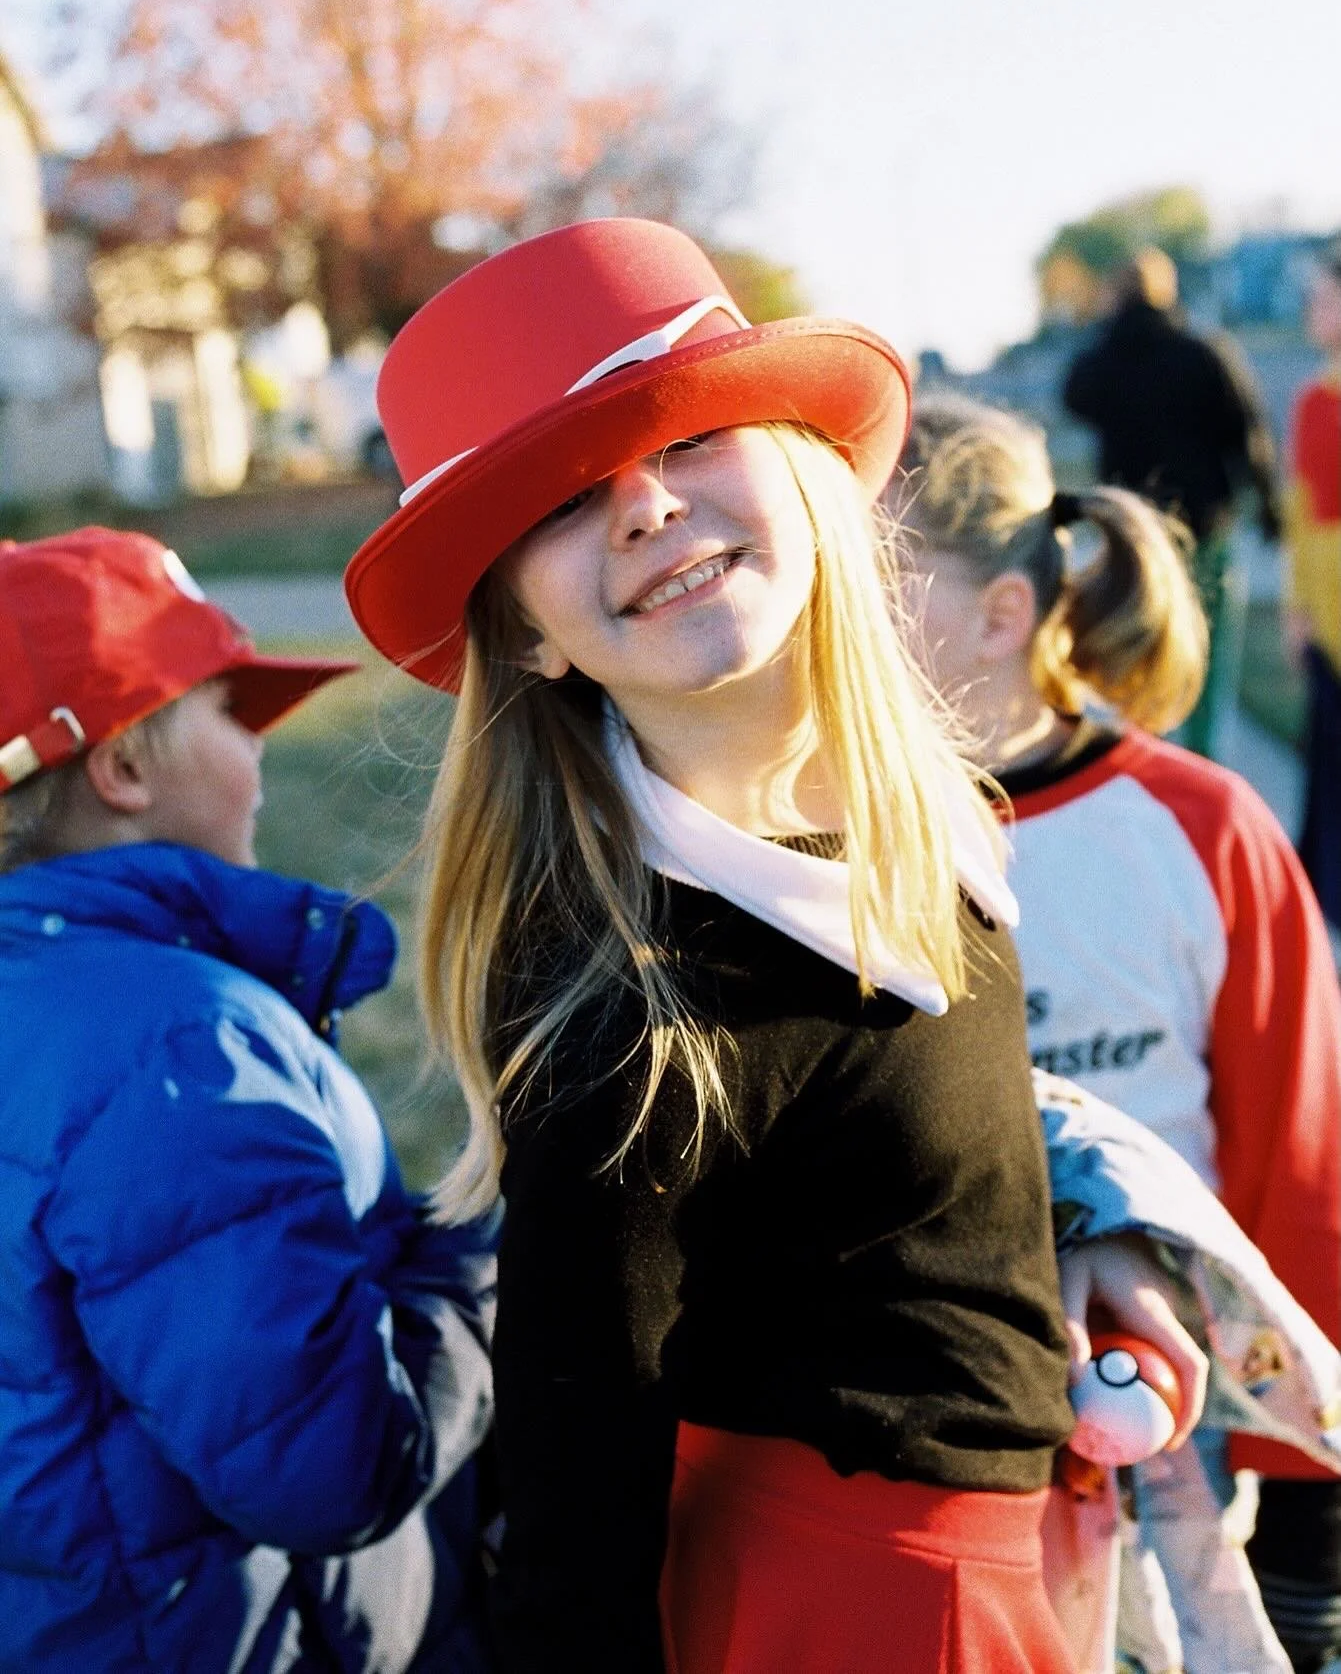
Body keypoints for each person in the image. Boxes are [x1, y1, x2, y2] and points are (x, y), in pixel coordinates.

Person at [341, 218, 1213, 1674]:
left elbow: (900, 1127)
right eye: (560, 500)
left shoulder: (924, 818)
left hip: (1005, 1547)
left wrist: (1071, 1234)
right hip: (850, 1617)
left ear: (809, 479)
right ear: (530, 636)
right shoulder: (632, 1012)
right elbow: (571, 1509)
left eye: (683, 439)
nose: (641, 507)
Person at [889, 394, 1341, 1674]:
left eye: (881, 579)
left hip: (1171, 1420)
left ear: (1002, 617)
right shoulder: (829, 841)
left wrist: (1307, 1492)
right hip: (937, 1418)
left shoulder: (1202, 827)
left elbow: (1300, 1164)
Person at [0, 528, 497, 1673]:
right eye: (235, 714)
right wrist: (478, 1251)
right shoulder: (179, 1047)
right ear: (123, 766)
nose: (262, 756)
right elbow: (330, 1465)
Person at [1062, 245, 1279, 762]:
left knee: (1138, 654)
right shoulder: (1203, 353)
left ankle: (1145, 763)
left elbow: (1074, 396)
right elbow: (1247, 432)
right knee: (1207, 653)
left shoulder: (1104, 363)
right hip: (1204, 529)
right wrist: (1269, 505)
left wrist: (1109, 332)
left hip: (1131, 538)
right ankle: (1204, 766)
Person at [1282, 236, 1341, 934]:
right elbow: (1300, 511)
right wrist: (1297, 607)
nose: (1313, 309)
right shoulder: (1310, 401)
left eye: (1325, 295)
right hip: (1326, 608)